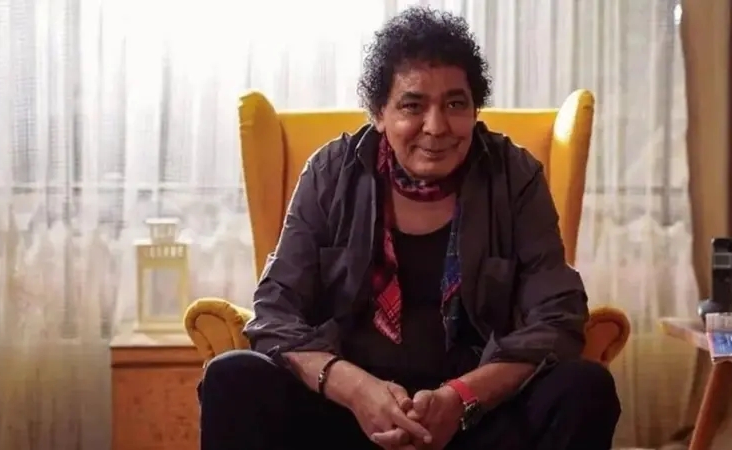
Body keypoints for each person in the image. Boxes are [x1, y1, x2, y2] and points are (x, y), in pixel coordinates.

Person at [199, 6, 620, 450]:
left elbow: (557, 317)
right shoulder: (330, 173)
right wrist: (355, 389)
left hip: (475, 414)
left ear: (475, 109)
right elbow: (275, 314)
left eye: (455, 104)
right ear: (379, 113)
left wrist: (459, 399)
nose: (436, 128)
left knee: (583, 387)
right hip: (347, 412)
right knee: (233, 376)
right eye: (412, 105)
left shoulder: (514, 176)